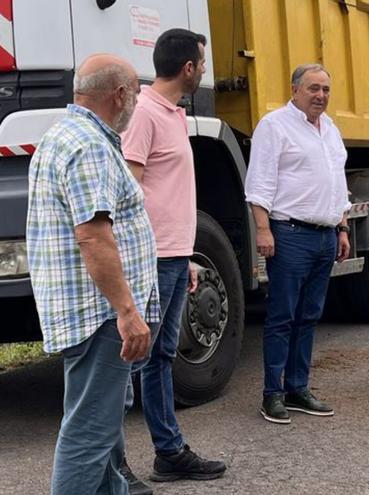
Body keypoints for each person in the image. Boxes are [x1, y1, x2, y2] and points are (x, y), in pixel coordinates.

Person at [26, 53, 159, 494]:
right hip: (100, 315)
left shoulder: (65, 135)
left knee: (102, 432)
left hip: (91, 311)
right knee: (89, 433)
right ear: (119, 94)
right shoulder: (90, 146)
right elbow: (94, 237)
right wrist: (126, 311)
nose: (137, 104)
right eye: (136, 95)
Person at [121, 28, 226, 492]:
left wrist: (183, 255)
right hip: (151, 257)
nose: (203, 70)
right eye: (201, 63)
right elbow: (129, 188)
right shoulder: (144, 113)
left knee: (160, 355)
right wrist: (151, 254)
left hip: (172, 255)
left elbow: (168, 194)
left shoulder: (173, 114)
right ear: (188, 68)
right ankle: (113, 462)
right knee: (128, 361)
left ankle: (169, 453)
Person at [245, 63, 351, 424]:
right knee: (281, 318)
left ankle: (298, 388)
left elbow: (337, 181)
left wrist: (343, 226)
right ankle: (272, 394)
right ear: (294, 90)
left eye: (325, 89)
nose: (320, 95)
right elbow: (259, 183)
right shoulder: (274, 126)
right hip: (289, 235)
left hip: (324, 236)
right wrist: (263, 229)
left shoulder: (331, 129)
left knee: (309, 316)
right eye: (312, 88)